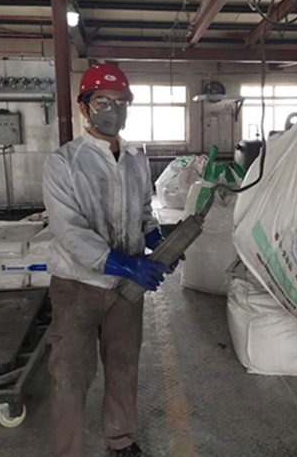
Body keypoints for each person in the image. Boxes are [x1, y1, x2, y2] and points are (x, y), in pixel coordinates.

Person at [43, 63, 170, 457]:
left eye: (121, 102)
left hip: (124, 290)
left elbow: (144, 211)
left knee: (123, 367)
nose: (113, 110)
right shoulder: (64, 162)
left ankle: (121, 441)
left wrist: (157, 239)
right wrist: (127, 263)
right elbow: (70, 232)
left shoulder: (135, 159)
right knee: (70, 375)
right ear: (84, 106)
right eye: (103, 101)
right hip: (77, 286)